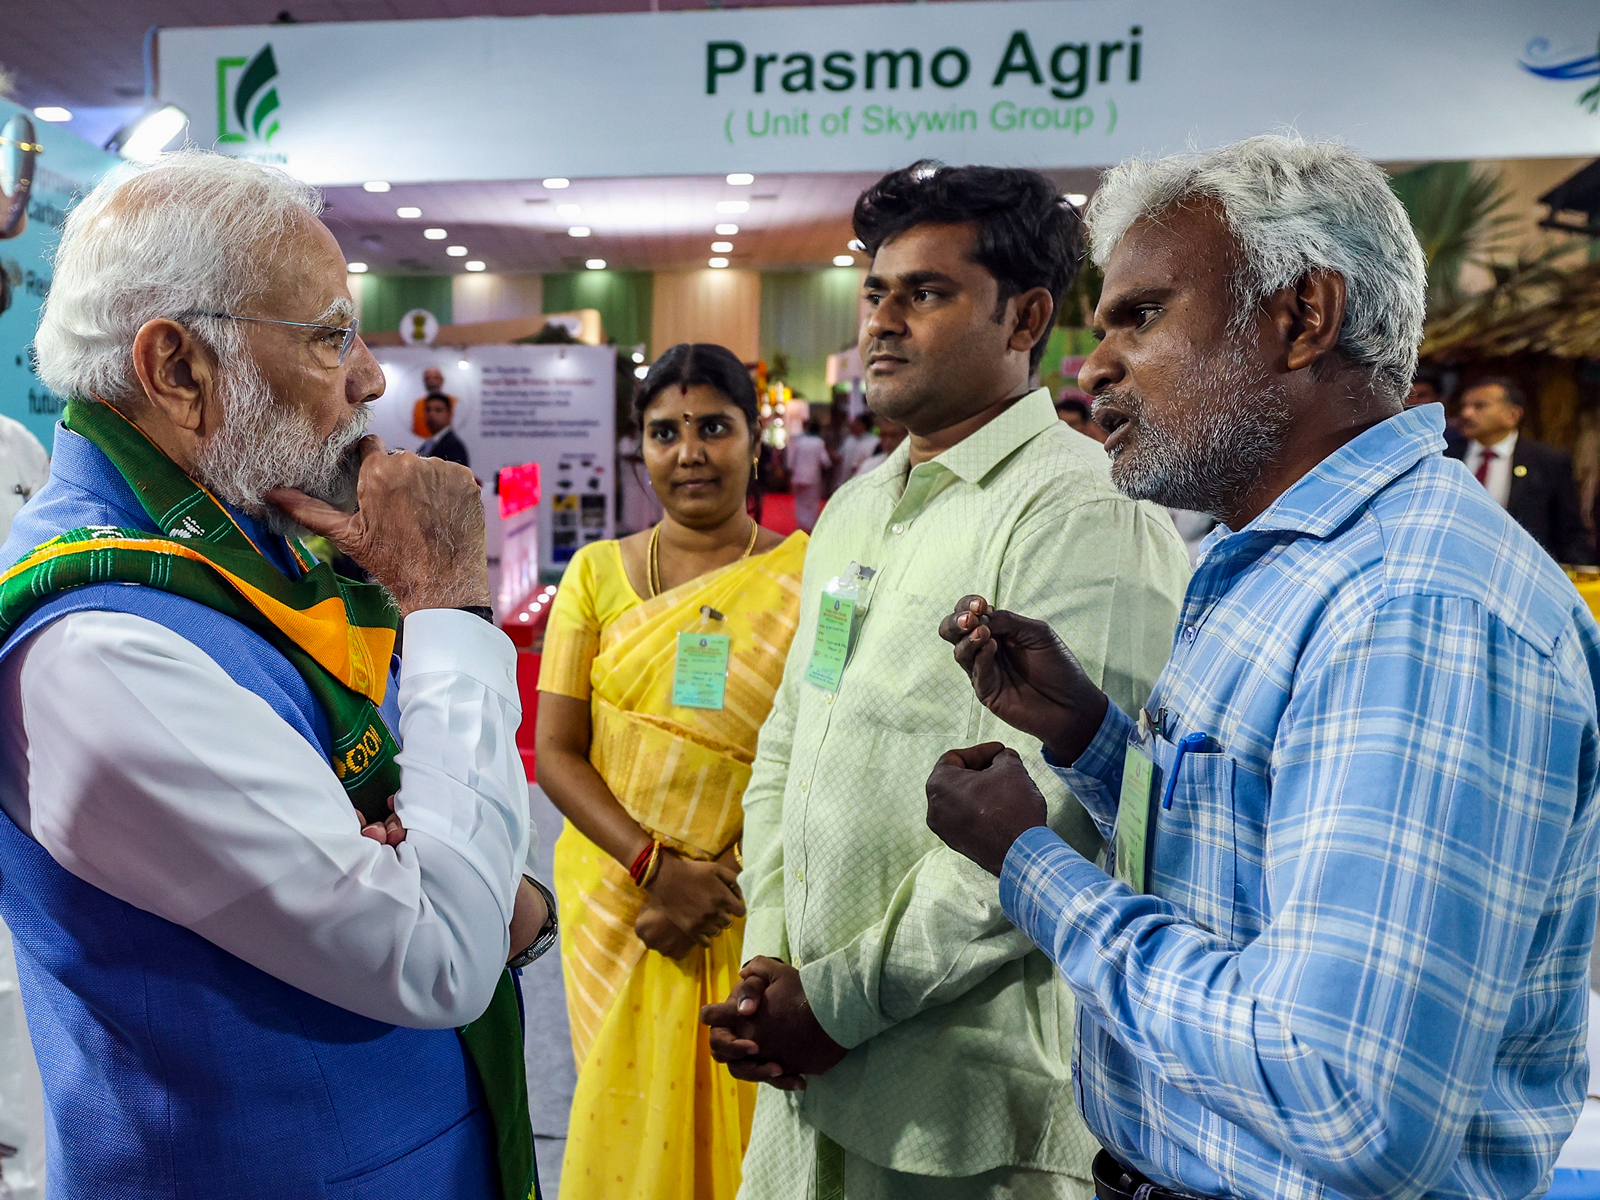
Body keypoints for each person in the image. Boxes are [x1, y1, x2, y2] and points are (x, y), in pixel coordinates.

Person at [922, 134, 1600, 1200]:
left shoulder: (1412, 606)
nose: (1092, 368)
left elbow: (1342, 1095)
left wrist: (1032, 867)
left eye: (1140, 315)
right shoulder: (1283, 555)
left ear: (1302, 318)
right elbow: (1259, 873)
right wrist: (1092, 742)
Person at [0, 151, 554, 1199]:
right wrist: (448, 603)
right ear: (177, 369)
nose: (371, 375)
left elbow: (442, 867)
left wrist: (466, 873)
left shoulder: (257, 547)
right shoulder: (104, 653)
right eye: (329, 334)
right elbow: (438, 952)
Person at [701, 161, 1189, 1200]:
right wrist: (774, 969)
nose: (882, 320)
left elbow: (1057, 815)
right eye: (874, 291)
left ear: (1026, 318)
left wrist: (834, 1003)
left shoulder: (1081, 510)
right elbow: (791, 742)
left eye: (925, 292)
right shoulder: (856, 507)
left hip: (968, 1100)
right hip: (806, 1069)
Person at [536, 342, 808, 1200]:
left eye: (713, 428)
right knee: (622, 1110)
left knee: (753, 1113)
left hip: (749, 893)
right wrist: (658, 870)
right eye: (665, 432)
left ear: (753, 441)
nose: (689, 452)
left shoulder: (810, 578)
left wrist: (720, 876)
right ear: (640, 446)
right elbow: (555, 752)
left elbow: (819, 747)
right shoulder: (595, 575)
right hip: (619, 895)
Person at [1446, 376, 1593, 565]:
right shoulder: (1446, 454)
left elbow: (1569, 531)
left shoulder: (1547, 461)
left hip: (1521, 569)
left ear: (1512, 415)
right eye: (1464, 406)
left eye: (1479, 406)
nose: (1466, 414)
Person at [785, 417, 831, 531]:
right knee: (812, 503)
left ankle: (801, 525)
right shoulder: (819, 442)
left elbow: (791, 462)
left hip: (798, 476)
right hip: (813, 478)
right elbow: (825, 461)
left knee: (800, 502)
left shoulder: (799, 442)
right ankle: (810, 527)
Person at [419, 391, 471, 468]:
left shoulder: (454, 447)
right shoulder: (427, 444)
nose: (431, 414)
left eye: (438, 410)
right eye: (428, 410)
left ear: (449, 414)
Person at [412, 365, 458, 438]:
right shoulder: (418, 404)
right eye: (428, 378)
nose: (432, 381)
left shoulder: (454, 402)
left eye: (436, 377)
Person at [837, 414, 879, 480]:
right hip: (844, 480)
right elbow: (839, 457)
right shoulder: (849, 439)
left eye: (856, 423)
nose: (852, 425)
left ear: (863, 425)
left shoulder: (874, 441)